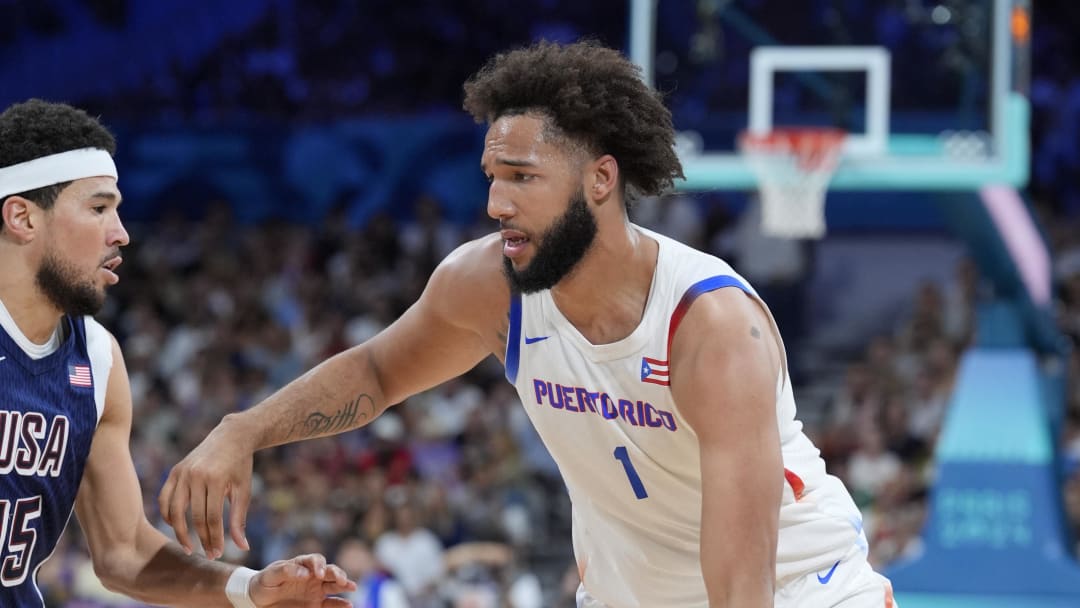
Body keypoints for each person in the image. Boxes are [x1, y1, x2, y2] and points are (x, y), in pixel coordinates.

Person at [160, 41, 896, 607]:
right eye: (491, 176)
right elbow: (378, 373)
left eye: (522, 177)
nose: (495, 203)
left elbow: (742, 587)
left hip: (798, 588)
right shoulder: (489, 285)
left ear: (600, 180)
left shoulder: (712, 329)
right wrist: (243, 430)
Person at [0, 99, 357, 607]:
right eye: (99, 208)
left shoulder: (99, 358)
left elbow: (123, 551)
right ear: (22, 217)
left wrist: (248, 589)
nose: (121, 232)